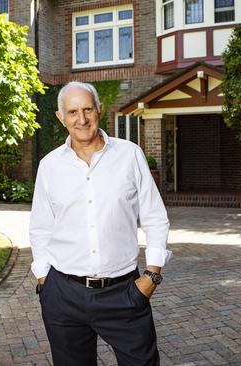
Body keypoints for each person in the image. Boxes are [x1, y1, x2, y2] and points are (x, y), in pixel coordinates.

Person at [29, 81, 171, 366]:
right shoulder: (49, 165)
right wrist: (45, 279)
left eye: (87, 109)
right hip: (63, 295)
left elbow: (154, 216)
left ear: (99, 110)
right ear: (61, 117)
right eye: (72, 112)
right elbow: (41, 226)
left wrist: (152, 275)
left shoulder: (129, 155)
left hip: (124, 293)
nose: (81, 119)